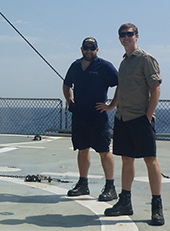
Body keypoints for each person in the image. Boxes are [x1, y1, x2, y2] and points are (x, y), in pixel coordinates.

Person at [104, 23, 165, 226]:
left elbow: (155, 88)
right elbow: (121, 87)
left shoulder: (146, 59)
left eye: (129, 34)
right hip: (123, 118)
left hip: (140, 119)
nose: (125, 37)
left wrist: (148, 116)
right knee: (127, 160)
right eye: (122, 35)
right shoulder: (124, 62)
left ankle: (156, 206)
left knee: (150, 160)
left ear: (137, 36)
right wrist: (113, 105)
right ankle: (125, 202)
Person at [63, 37, 118, 201]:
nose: (89, 51)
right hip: (80, 115)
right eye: (86, 48)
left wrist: (112, 105)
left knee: (104, 150)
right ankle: (83, 184)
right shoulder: (75, 66)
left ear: (97, 50)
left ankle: (110, 187)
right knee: (82, 148)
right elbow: (67, 85)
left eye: (92, 48)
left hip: (97, 116)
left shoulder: (105, 66)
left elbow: (121, 84)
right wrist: (70, 101)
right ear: (81, 50)